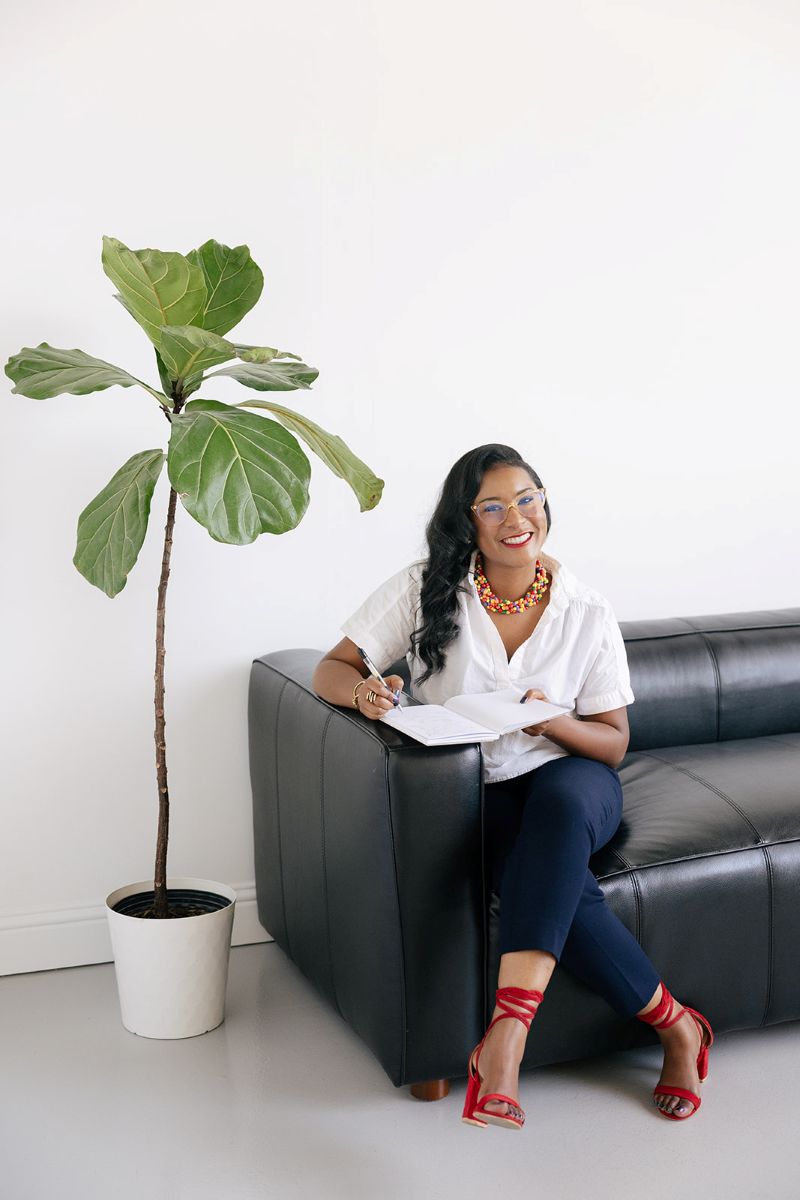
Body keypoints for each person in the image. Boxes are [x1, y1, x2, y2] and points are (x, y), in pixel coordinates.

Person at [311, 443, 713, 1130]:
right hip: (479, 793)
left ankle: (507, 1040)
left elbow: (613, 741)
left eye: (527, 499)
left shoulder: (586, 608)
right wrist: (370, 697)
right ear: (467, 521)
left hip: (576, 779)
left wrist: (553, 721)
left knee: (557, 810)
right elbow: (331, 669)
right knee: (555, 884)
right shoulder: (423, 588)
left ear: (545, 505)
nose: (514, 517)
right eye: (492, 506)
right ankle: (678, 1027)